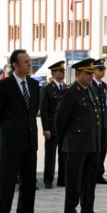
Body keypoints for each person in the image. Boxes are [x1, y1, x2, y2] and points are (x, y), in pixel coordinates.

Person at [0, 49, 44, 213]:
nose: (29, 64)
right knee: (7, 182)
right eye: (26, 62)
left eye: (30, 61)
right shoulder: (4, 85)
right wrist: (6, 131)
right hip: (10, 142)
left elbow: (33, 111)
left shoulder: (34, 85)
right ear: (15, 65)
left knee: (29, 182)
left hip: (29, 141)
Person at [55, 58, 103, 213]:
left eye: (92, 73)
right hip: (75, 144)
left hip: (92, 143)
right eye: (88, 73)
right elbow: (60, 120)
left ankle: (87, 210)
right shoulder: (70, 92)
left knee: (90, 179)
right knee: (74, 181)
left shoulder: (93, 90)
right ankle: (70, 211)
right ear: (78, 74)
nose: (91, 76)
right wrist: (67, 140)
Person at [39, 60, 67, 189]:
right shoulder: (48, 89)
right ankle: (48, 179)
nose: (62, 73)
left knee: (64, 155)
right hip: (52, 127)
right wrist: (46, 129)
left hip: (64, 128)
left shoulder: (66, 88)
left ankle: (62, 178)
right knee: (50, 155)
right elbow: (44, 111)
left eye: (63, 71)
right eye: (60, 71)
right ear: (54, 73)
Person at [92, 59, 107, 185]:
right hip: (94, 124)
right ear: (93, 71)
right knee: (95, 150)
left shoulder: (103, 86)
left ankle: (99, 173)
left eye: (103, 69)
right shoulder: (90, 85)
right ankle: (93, 174)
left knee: (103, 148)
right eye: (100, 69)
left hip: (103, 123)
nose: (102, 71)